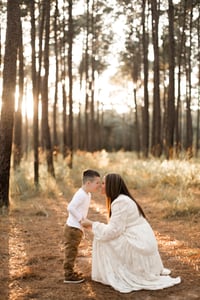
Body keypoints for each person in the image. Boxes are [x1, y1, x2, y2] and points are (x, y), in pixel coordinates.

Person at [81, 173, 181, 293]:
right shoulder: (122, 199)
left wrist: (92, 225)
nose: (101, 186)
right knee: (101, 234)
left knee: (101, 238)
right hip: (140, 238)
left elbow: (113, 232)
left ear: (111, 186)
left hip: (138, 242)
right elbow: (116, 229)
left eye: (103, 183)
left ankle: (116, 272)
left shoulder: (120, 202)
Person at [63, 169, 101, 284]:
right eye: (97, 183)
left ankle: (70, 272)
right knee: (71, 252)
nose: (98, 186)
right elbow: (70, 207)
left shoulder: (87, 194)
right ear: (88, 183)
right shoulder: (81, 194)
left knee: (73, 251)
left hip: (77, 228)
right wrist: (81, 220)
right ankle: (68, 275)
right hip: (72, 228)